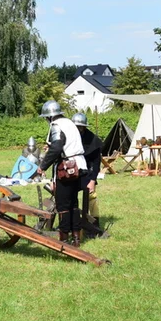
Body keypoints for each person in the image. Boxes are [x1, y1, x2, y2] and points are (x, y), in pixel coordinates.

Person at [35, 100, 87, 244]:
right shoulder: (69, 123)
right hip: (78, 166)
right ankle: (76, 237)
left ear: (50, 117)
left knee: (63, 205)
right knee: (73, 204)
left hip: (67, 168)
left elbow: (57, 148)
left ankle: (63, 239)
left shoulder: (56, 125)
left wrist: (43, 166)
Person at [72, 113, 103, 230]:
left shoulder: (93, 141)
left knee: (92, 197)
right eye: (75, 127)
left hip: (88, 173)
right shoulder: (69, 138)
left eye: (80, 127)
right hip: (72, 172)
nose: (77, 129)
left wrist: (92, 181)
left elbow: (96, 164)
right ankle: (72, 223)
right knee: (68, 197)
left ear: (84, 127)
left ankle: (94, 225)